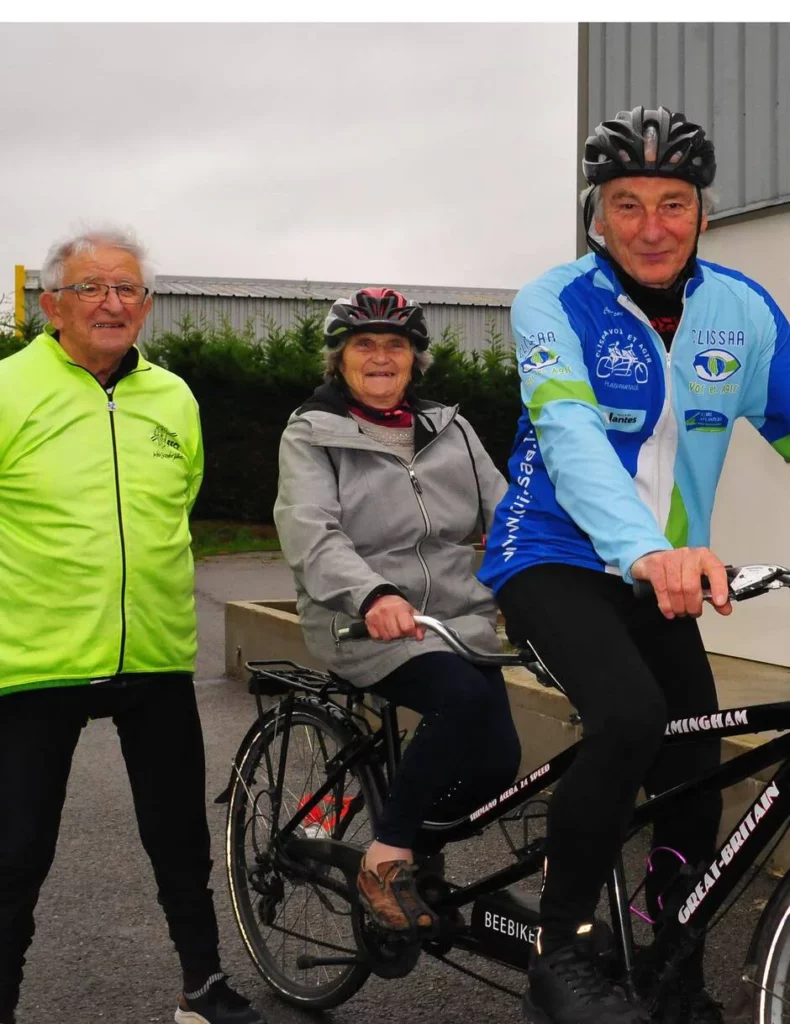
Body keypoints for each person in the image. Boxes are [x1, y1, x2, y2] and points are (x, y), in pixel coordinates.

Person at [479, 105, 790, 1024]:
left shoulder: (743, 310)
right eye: (627, 204)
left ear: (703, 213)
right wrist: (647, 550)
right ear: (596, 216)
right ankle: (562, 943)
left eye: (673, 203)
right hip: (554, 553)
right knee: (630, 715)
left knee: (695, 750)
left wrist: (662, 560)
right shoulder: (553, 301)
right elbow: (570, 437)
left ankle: (671, 954)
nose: (652, 227)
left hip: (663, 573)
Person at [0, 228, 264, 1024]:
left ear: (146, 306)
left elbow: (177, 505)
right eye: (91, 287)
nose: (111, 303)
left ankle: (202, 987)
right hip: (32, 661)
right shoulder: (9, 390)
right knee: (16, 855)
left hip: (152, 653)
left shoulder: (174, 397)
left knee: (181, 840)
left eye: (127, 289)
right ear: (53, 304)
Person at [274, 287, 521, 933]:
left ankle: (416, 850)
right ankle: (384, 857)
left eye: (395, 345)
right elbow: (311, 533)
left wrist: (544, 566)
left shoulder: (451, 428)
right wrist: (373, 594)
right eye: (364, 345)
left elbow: (509, 512)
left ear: (415, 360)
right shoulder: (311, 433)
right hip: (359, 618)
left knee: (497, 765)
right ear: (339, 359)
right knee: (460, 702)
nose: (381, 357)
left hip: (456, 621)